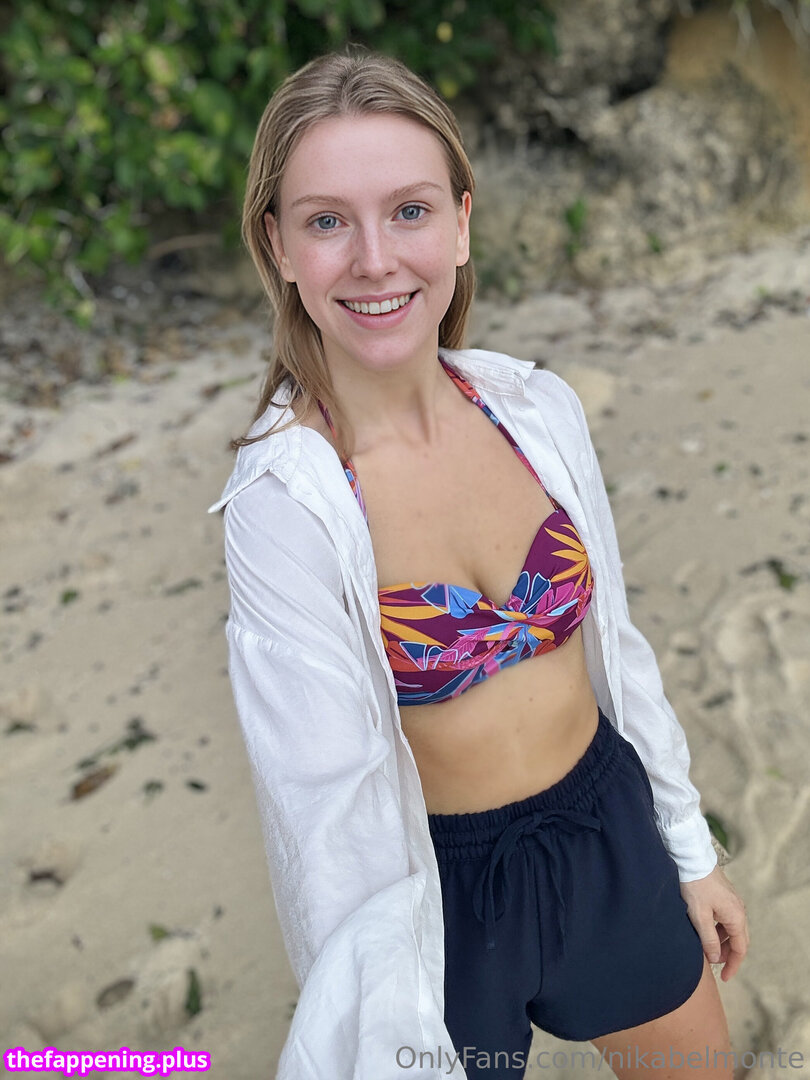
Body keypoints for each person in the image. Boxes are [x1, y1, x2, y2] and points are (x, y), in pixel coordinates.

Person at [207, 46, 749, 1080]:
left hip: (607, 829)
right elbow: (322, 817)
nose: (375, 259)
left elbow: (618, 647)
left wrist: (688, 850)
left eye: (409, 211)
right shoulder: (286, 504)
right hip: (438, 902)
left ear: (460, 222)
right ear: (278, 244)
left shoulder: (534, 409)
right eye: (327, 221)